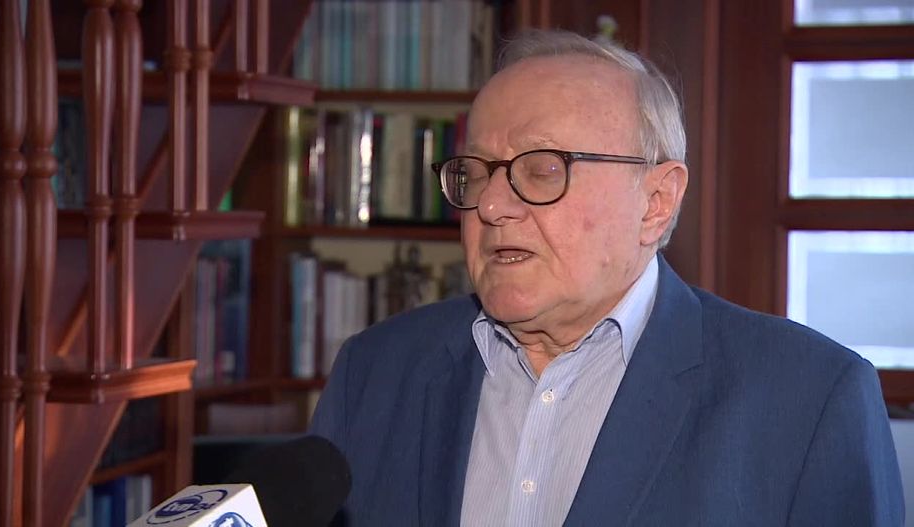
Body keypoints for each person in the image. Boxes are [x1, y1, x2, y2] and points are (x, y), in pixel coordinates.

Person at [310, 29, 904, 526]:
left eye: (542, 169)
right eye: (475, 172)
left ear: (656, 203)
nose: (490, 205)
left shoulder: (810, 399)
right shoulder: (374, 372)